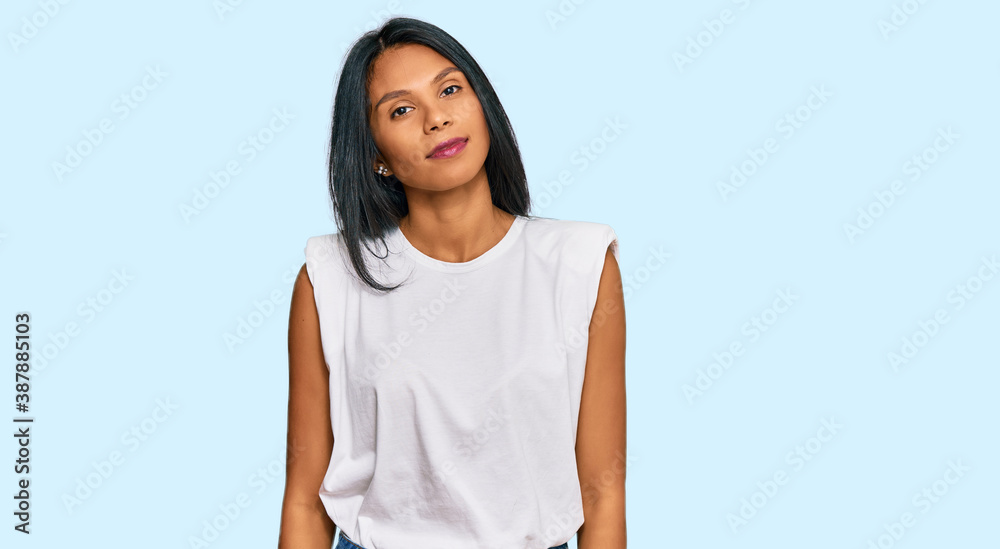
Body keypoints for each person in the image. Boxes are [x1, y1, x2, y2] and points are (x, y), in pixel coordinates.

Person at [278, 17, 626, 549]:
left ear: (482, 103)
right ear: (375, 156)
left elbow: (602, 492)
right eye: (401, 109)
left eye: (449, 90)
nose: (436, 118)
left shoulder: (579, 263)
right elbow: (305, 500)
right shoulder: (330, 278)